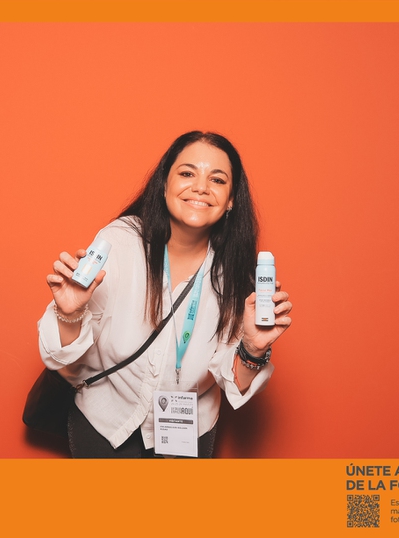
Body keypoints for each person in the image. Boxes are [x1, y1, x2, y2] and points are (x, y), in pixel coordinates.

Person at [37, 131, 292, 458]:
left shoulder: (237, 273)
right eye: (187, 173)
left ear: (231, 200)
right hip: (105, 420)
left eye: (217, 179)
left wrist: (253, 350)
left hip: (189, 428)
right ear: (164, 185)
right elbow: (61, 356)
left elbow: (235, 385)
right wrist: (70, 314)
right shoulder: (121, 241)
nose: (201, 187)